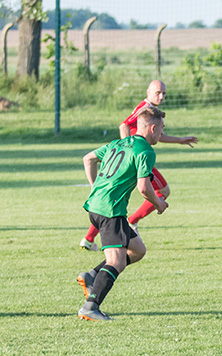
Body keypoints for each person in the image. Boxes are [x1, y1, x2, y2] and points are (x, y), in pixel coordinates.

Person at [79, 79, 197, 251]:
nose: (162, 96)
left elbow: (155, 134)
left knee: (113, 193)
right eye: (158, 92)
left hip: (132, 154)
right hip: (135, 156)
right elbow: (124, 124)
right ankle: (132, 221)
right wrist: (127, 146)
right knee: (162, 191)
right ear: (148, 92)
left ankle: (89, 238)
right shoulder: (144, 107)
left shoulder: (152, 114)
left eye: (164, 93)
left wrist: (179, 140)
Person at [76, 107, 169, 321]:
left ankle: (92, 276)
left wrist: (95, 186)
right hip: (111, 210)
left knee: (137, 250)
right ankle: (90, 307)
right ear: (152, 128)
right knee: (116, 262)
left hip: (96, 205)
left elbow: (88, 158)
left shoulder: (117, 143)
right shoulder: (145, 151)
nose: (162, 134)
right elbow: (144, 187)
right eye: (161, 129)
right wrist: (159, 204)